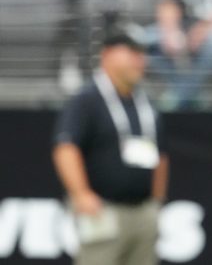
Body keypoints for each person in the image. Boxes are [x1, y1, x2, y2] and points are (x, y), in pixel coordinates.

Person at [52, 30, 168, 265]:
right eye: (131, 53)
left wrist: (156, 201)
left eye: (142, 54)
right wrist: (81, 194)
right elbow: (65, 147)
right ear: (106, 55)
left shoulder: (145, 102)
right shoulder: (87, 99)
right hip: (104, 210)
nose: (139, 60)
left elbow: (160, 153)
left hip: (143, 210)